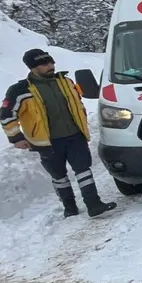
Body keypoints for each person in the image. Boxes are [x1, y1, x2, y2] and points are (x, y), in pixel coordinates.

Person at [1, 49, 117, 218]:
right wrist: (16, 137)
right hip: (46, 141)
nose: (51, 66)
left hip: (74, 135)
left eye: (51, 62)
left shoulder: (66, 82)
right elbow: (6, 115)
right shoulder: (20, 90)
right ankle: (70, 207)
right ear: (33, 67)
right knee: (59, 176)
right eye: (45, 63)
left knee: (83, 170)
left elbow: (78, 105)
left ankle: (94, 204)